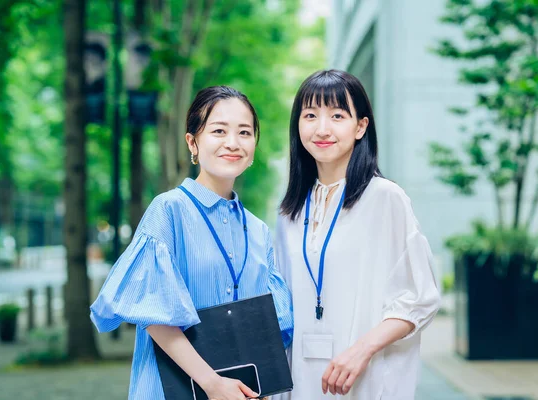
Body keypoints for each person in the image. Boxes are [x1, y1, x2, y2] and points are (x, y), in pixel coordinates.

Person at [90, 86, 293, 400]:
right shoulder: (168, 211)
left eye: (244, 132)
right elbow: (155, 318)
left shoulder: (258, 231)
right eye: (218, 131)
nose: (232, 142)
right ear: (192, 143)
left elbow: (265, 327)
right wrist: (213, 385)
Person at [275, 70, 441, 399]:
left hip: (365, 377)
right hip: (300, 381)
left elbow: (419, 299)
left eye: (337, 116)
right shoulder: (289, 213)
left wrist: (361, 350)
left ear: (360, 126)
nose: (322, 128)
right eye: (310, 115)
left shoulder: (385, 198)